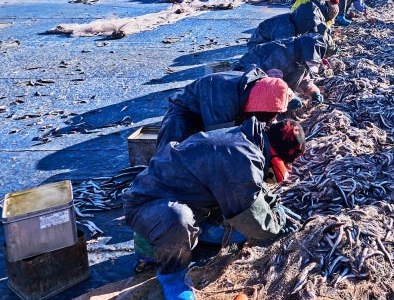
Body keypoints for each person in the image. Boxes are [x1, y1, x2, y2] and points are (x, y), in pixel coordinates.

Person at [124, 117, 305, 300]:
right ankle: (172, 276)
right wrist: (276, 223)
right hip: (147, 204)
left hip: (182, 196)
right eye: (284, 162)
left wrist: (274, 204)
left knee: (230, 219)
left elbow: (252, 186)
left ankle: (186, 237)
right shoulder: (242, 155)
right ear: (275, 153)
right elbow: (257, 225)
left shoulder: (249, 140)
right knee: (178, 219)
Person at [155, 67, 297, 151]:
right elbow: (219, 141)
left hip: (216, 110)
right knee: (172, 155)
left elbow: (282, 92)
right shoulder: (223, 99)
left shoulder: (262, 85)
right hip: (186, 112)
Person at [234, 32, 331, 105]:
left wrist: (314, 92)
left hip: (271, 74)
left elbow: (304, 78)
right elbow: (269, 81)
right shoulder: (281, 54)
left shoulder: (302, 57)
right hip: (247, 74)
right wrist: (290, 97)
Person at [248, 0, 333, 49]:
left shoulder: (300, 17)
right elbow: (282, 48)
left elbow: (320, 35)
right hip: (258, 46)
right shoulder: (285, 28)